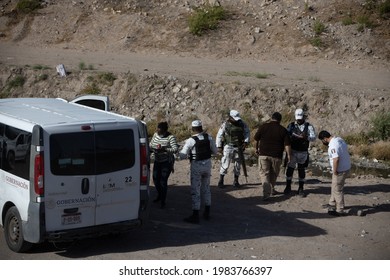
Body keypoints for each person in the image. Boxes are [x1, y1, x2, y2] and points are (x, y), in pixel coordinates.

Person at [179, 120, 218, 224]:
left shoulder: (191, 140)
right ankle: (207, 212)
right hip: (207, 165)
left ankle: (195, 215)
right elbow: (215, 151)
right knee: (206, 188)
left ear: (192, 129)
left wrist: (177, 154)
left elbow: (182, 155)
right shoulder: (209, 137)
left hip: (196, 166)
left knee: (195, 190)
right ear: (201, 127)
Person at [254, 112, 292, 200]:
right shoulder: (283, 130)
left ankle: (267, 193)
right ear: (280, 120)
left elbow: (256, 139)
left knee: (264, 174)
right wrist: (289, 155)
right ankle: (271, 190)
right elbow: (287, 145)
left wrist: (256, 148)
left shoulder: (263, 127)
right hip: (276, 156)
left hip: (263, 154)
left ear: (271, 118)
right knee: (273, 174)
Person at [284, 108, 316, 197]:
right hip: (293, 151)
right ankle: (288, 186)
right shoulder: (291, 126)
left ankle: (301, 188)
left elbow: (313, 138)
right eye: (298, 118)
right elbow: (286, 136)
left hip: (303, 151)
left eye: (300, 118)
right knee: (290, 169)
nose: (299, 120)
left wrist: (306, 137)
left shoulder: (309, 126)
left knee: (301, 170)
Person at [318, 130, 351, 216]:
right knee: (334, 185)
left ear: (325, 139)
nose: (322, 142)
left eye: (322, 140)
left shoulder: (333, 145)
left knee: (337, 189)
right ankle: (332, 203)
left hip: (340, 170)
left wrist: (335, 170)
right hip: (346, 167)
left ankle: (340, 209)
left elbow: (336, 158)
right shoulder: (339, 139)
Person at [216, 109, 250, 188]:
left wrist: (245, 142)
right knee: (225, 163)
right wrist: (219, 146)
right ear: (230, 117)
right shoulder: (225, 124)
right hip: (228, 146)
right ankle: (221, 180)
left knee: (238, 164)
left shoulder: (242, 124)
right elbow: (219, 135)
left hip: (239, 147)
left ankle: (236, 181)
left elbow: (247, 133)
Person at [149, 121, 179, 209]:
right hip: (157, 160)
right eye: (157, 129)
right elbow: (151, 144)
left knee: (163, 181)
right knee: (155, 179)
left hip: (166, 162)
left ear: (164, 131)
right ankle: (159, 194)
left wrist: (165, 149)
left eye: (159, 130)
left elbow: (175, 149)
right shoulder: (155, 135)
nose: (157, 131)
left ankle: (163, 200)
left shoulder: (170, 137)